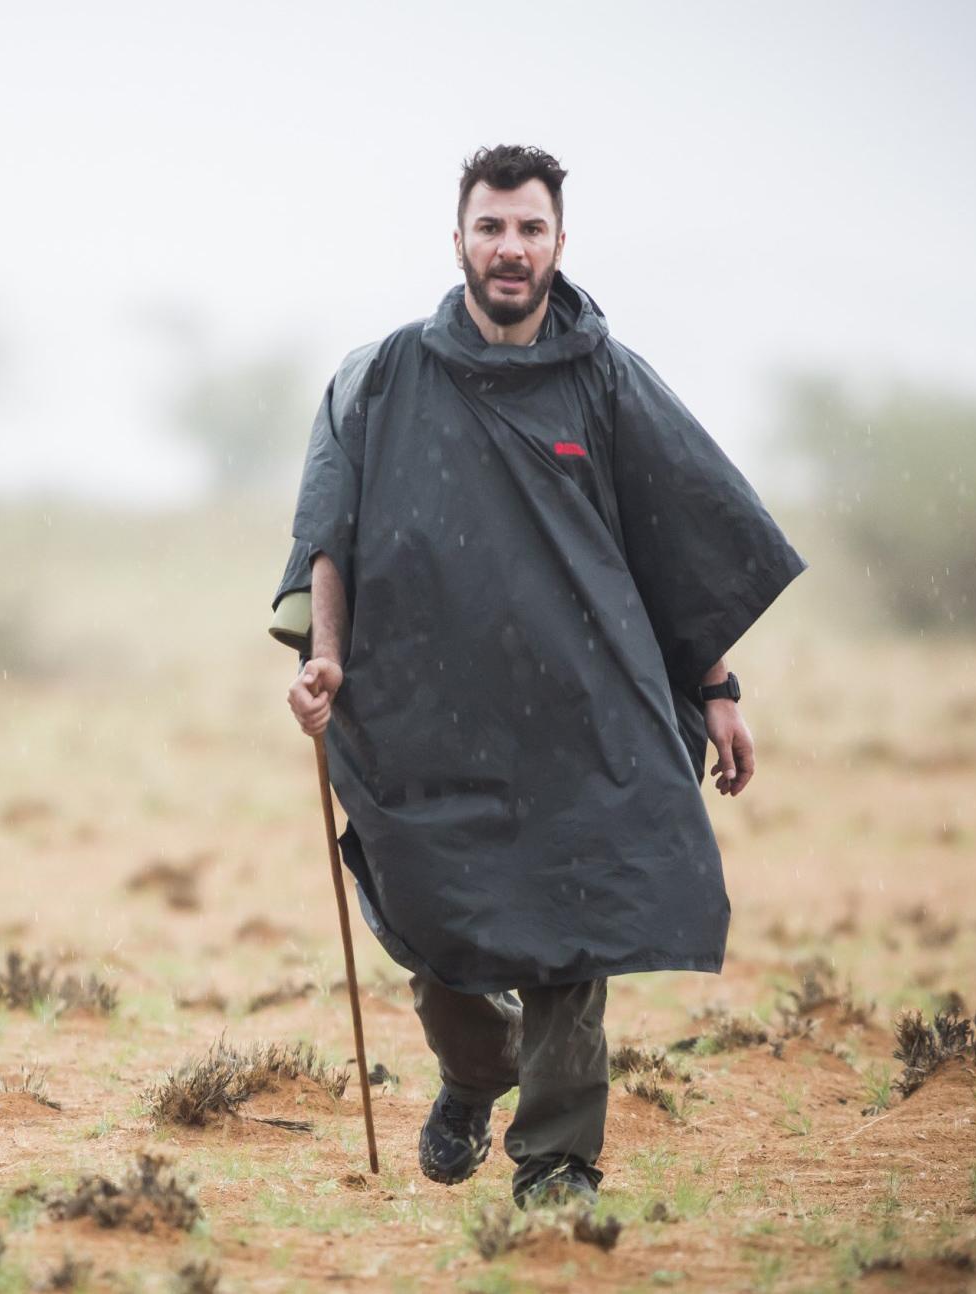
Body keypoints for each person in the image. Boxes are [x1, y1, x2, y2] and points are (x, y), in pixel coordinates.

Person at [274, 145, 802, 1209]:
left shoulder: (602, 375)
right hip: (420, 716)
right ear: (457, 238)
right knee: (433, 931)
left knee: (568, 937)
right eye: (489, 227)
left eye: (528, 229)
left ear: (558, 242)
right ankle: (475, 1067)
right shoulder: (378, 377)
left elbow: (678, 541)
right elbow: (330, 536)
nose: (508, 249)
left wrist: (717, 686)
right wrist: (325, 657)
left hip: (580, 716)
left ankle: (556, 1161)